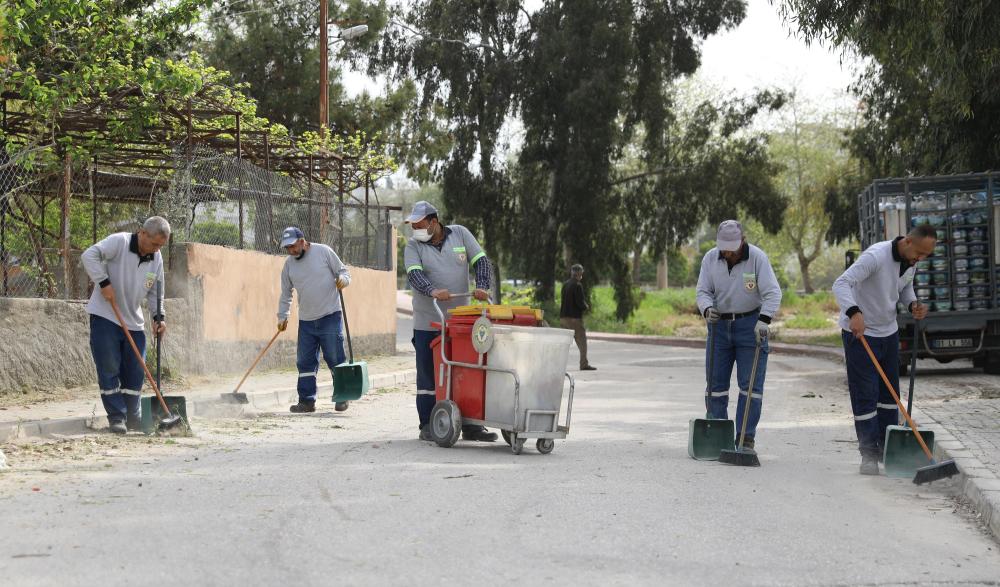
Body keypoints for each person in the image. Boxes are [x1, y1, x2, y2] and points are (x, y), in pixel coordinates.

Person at [833, 224, 935, 475]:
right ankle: (868, 455)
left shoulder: (911, 261)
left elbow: (904, 288)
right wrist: (854, 312)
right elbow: (841, 283)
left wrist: (912, 304)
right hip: (860, 334)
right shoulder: (875, 257)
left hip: (888, 333)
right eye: (919, 253)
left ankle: (887, 451)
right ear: (908, 241)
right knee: (865, 394)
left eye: (925, 256)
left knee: (890, 398)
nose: (920, 259)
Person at [403, 201, 497, 442]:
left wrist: (482, 286)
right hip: (428, 321)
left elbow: (481, 261)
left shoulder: (461, 234)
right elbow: (414, 274)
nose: (415, 229)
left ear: (434, 222)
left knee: (464, 372)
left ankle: (472, 425)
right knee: (428, 376)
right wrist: (432, 290)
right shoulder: (413, 246)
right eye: (412, 225)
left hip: (460, 322)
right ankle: (427, 424)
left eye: (419, 224)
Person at [695, 220, 782, 454]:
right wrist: (705, 308)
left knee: (750, 386)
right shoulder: (710, 259)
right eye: (724, 247)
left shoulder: (757, 258)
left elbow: (773, 292)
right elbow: (703, 290)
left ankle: (745, 439)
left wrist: (764, 320)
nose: (727, 252)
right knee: (716, 386)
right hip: (719, 327)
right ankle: (717, 434)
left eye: (731, 247)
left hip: (750, 326)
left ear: (742, 240)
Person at [81, 216, 170, 434]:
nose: (157, 249)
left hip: (134, 320)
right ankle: (117, 417)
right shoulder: (119, 242)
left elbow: (155, 291)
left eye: (161, 245)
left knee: (135, 371)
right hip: (106, 315)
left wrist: (159, 317)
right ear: (142, 233)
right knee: (109, 367)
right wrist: (103, 282)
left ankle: (134, 417)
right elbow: (89, 255)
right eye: (154, 243)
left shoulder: (155, 258)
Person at [276, 227, 352, 413]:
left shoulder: (323, 252)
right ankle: (307, 401)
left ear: (302, 241)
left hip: (330, 315)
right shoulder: (289, 264)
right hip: (306, 321)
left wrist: (342, 279)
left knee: (335, 358)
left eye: (293, 246)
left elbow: (344, 272)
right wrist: (282, 316)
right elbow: (286, 293)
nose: (291, 251)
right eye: (287, 248)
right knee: (305, 362)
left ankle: (342, 396)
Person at [560, 264, 596, 371]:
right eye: (581, 273)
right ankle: (583, 364)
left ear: (572, 272)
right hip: (574, 319)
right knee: (582, 341)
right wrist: (586, 306)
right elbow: (580, 303)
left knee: (564, 344)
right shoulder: (577, 285)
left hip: (563, 318)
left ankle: (558, 364)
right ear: (579, 273)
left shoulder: (565, 285)